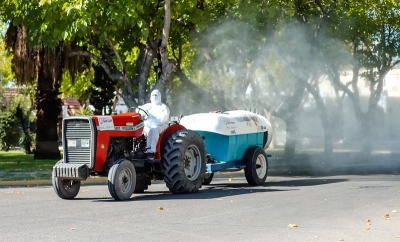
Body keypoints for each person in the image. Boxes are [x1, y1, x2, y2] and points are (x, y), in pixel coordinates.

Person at [138, 89, 170, 160]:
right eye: (152, 95)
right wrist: (140, 111)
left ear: (159, 96)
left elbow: (162, 120)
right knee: (138, 129)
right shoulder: (148, 106)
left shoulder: (164, 107)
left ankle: (151, 152)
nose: (154, 97)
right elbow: (139, 109)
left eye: (156, 95)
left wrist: (150, 124)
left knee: (153, 130)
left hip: (161, 126)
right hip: (148, 125)